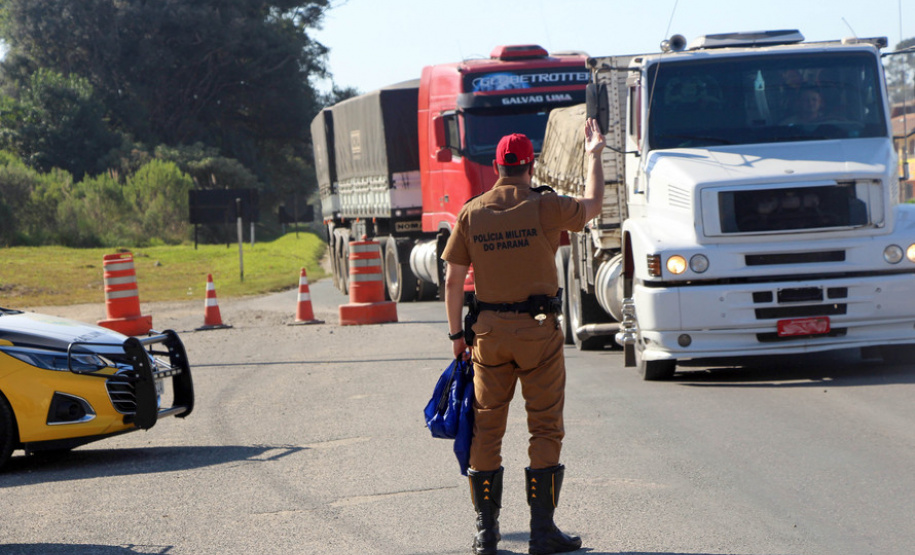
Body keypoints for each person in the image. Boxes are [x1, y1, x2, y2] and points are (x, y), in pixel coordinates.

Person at [441, 118, 606, 555]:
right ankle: (542, 532)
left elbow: (453, 280)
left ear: (496, 166)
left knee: (486, 430)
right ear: (530, 166)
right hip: (538, 334)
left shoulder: (472, 212)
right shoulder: (545, 206)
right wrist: (593, 155)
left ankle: (486, 534)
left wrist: (458, 334)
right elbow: (593, 205)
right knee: (545, 427)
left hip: (489, 335)